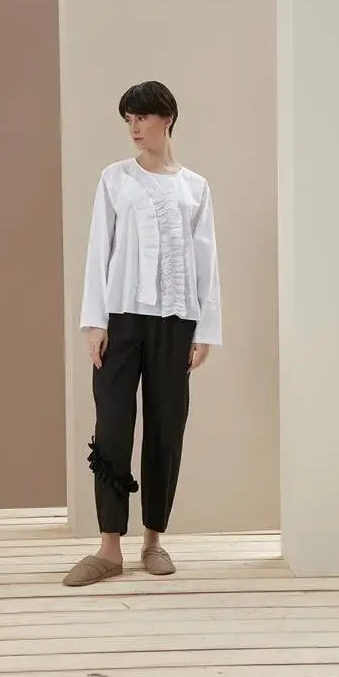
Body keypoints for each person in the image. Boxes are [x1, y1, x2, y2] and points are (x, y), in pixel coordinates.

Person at [63, 81, 222, 587]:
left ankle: (153, 540)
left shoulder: (195, 187)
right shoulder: (115, 179)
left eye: (142, 117)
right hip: (122, 318)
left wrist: (204, 329)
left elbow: (206, 262)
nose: (133, 127)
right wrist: (95, 322)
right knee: (112, 424)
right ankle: (109, 547)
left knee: (166, 425)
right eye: (128, 119)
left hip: (176, 321)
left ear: (166, 118)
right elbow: (98, 251)